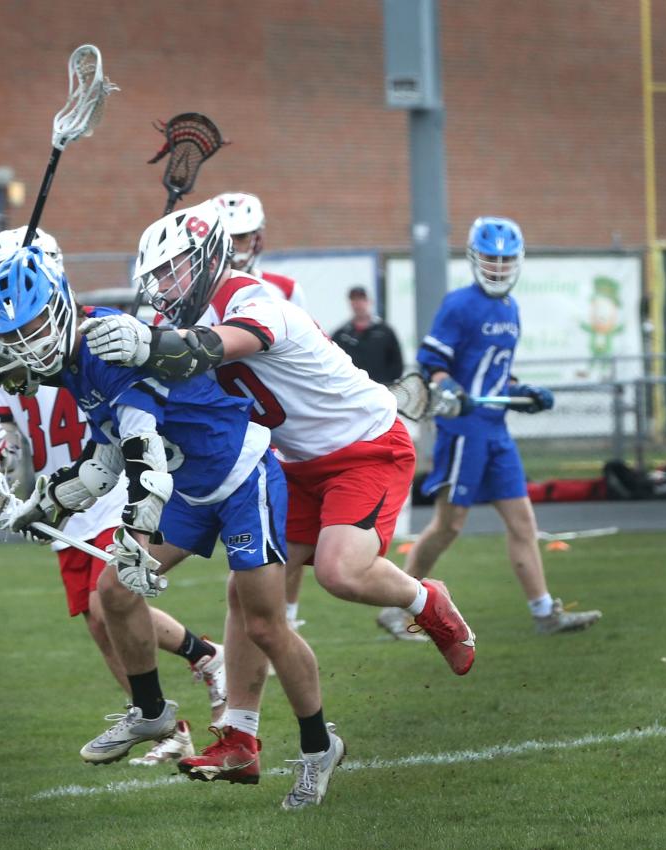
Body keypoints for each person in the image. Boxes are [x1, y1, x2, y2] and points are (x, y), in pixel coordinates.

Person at [80, 201, 476, 792]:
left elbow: (200, 350)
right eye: (156, 277)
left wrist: (150, 341)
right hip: (290, 463)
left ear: (210, 259)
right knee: (248, 596)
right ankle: (239, 737)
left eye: (173, 271)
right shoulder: (191, 318)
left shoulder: (258, 303)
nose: (163, 287)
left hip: (365, 448)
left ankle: (426, 600)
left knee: (341, 573)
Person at [0, 245, 343, 810]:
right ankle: (151, 713)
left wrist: (136, 537)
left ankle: (320, 748)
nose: (27, 346)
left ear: (61, 306)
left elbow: (142, 452)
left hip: (241, 476)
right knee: (113, 593)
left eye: (34, 328)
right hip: (190, 483)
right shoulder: (74, 358)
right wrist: (47, 502)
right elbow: (105, 458)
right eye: (16, 335)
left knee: (266, 625)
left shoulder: (108, 348)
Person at [0, 229, 225, 767]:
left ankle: (206, 660)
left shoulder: (91, 337)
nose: (25, 327)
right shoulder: (10, 351)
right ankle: (158, 719)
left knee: (113, 601)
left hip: (111, 482)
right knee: (98, 621)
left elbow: (126, 406)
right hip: (67, 490)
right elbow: (2, 433)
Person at [375, 217, 602, 638]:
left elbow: (498, 375)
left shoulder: (511, 309)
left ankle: (543, 613)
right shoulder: (460, 304)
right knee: (448, 526)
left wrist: (524, 392)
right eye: (490, 258)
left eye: (505, 259)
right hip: (464, 430)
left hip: (496, 431)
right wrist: (451, 389)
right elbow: (432, 365)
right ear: (475, 258)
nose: (497, 267)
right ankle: (396, 605)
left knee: (523, 524)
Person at [213, 191, 307, 629]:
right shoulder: (202, 294)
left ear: (260, 237)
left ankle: (286, 615)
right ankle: (267, 622)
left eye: (244, 236)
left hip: (281, 424)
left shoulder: (284, 290)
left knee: (289, 533)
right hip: (234, 427)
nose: (237, 245)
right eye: (228, 237)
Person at [213, 192, 307, 310]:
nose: (231, 245)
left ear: (258, 239)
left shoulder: (286, 289)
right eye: (224, 237)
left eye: (241, 236)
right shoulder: (198, 291)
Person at [331, 286, 404, 386]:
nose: (358, 304)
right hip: (352, 390)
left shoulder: (385, 331)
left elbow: (397, 363)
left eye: (361, 299)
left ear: (369, 301)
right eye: (354, 300)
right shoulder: (341, 335)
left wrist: (388, 384)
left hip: (381, 389)